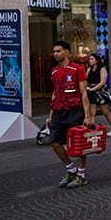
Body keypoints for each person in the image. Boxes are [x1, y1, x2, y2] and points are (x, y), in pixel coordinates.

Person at [47, 41, 94, 188]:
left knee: (79, 144)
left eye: (59, 51)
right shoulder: (54, 71)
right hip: (58, 111)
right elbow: (55, 93)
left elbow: (83, 93)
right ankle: (71, 170)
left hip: (75, 111)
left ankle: (81, 175)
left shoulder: (77, 69)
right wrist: (50, 114)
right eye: (54, 51)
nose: (56, 54)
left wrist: (87, 116)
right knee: (54, 141)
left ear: (67, 52)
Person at [86, 54, 111, 136]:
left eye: (92, 59)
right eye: (89, 59)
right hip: (91, 92)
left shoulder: (102, 69)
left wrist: (92, 89)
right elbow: (86, 80)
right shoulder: (89, 69)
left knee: (105, 111)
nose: (90, 60)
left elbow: (102, 82)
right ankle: (91, 129)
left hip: (100, 92)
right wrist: (86, 87)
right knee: (91, 112)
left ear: (96, 60)